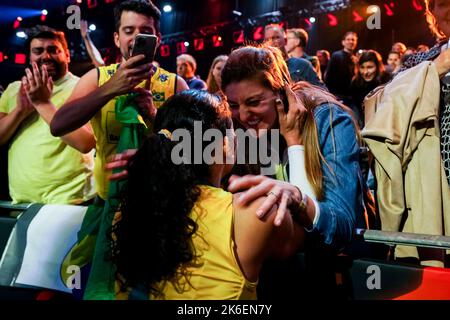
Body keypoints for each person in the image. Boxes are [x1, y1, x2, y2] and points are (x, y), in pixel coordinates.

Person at [113, 90, 305, 299]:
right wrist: (295, 145)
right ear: (221, 144)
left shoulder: (131, 210)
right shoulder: (256, 213)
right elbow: (307, 232)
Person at [221, 44, 370, 299]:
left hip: (326, 276)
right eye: (234, 104)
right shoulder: (239, 128)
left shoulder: (328, 120)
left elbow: (339, 227)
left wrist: (294, 145)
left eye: (254, 102)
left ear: (281, 92)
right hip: (274, 275)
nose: (244, 115)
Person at [51, 0, 189, 201]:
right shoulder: (97, 78)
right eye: (128, 30)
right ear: (117, 38)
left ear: (158, 38)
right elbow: (58, 125)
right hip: (109, 200)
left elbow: (194, 150)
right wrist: (110, 88)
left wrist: (155, 116)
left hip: (161, 200)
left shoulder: (175, 84)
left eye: (145, 30)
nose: (136, 37)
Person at [362, 0, 450, 267]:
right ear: (432, 13)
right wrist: (433, 71)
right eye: (444, 3)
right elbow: (383, 110)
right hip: (435, 186)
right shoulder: (419, 61)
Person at [0, 26, 95, 204]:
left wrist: (41, 103)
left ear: (67, 55)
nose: (45, 56)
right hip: (21, 198)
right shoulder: (14, 89)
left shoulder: (83, 86)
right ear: (30, 57)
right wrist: (20, 111)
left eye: (53, 50)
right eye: (38, 51)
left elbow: (85, 143)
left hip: (70, 198)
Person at [350, 50, 391, 128]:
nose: (365, 72)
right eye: (362, 67)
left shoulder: (387, 80)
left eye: (370, 67)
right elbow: (356, 109)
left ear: (378, 67)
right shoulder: (355, 83)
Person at [325, 31, 358, 104]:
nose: (351, 42)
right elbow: (328, 76)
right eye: (348, 39)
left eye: (353, 40)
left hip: (351, 97)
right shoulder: (337, 55)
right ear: (343, 42)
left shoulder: (355, 59)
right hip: (338, 96)